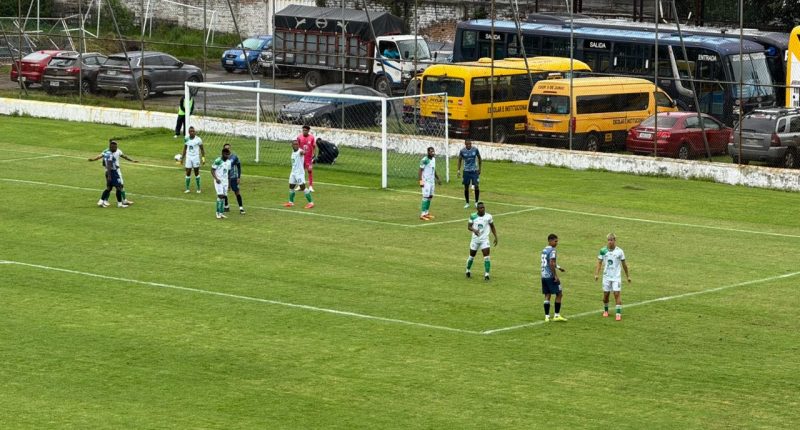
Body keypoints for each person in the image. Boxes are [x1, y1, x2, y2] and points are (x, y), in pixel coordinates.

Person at [88, 139, 137, 208]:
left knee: (110, 187)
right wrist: (93, 159)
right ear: (110, 146)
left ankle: (102, 201)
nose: (116, 148)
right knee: (117, 187)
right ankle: (117, 202)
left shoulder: (116, 151)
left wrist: (132, 160)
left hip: (114, 171)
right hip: (112, 172)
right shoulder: (107, 153)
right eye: (114, 146)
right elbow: (104, 162)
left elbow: (123, 156)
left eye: (116, 146)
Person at [594, 233, 631, 321]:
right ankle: (606, 310)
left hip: (616, 277)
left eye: (611, 240)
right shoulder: (603, 250)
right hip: (606, 276)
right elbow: (599, 262)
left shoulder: (620, 251)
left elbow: (624, 264)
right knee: (606, 295)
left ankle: (618, 314)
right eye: (608, 240)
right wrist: (596, 274)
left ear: (615, 240)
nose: (610, 242)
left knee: (616, 294)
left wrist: (628, 276)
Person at [465, 202, 497, 281]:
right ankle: (468, 270)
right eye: (481, 208)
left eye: (483, 207)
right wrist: (474, 230)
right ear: (477, 209)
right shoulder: (473, 216)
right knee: (472, 256)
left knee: (487, 257)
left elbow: (492, 226)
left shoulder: (488, 216)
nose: (483, 209)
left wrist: (496, 237)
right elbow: (469, 227)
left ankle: (487, 275)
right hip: (475, 240)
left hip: (484, 239)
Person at [541, 233, 567, 322]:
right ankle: (556, 315)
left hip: (543, 276)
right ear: (550, 241)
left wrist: (559, 267)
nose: (557, 243)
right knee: (559, 294)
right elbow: (551, 263)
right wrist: (555, 275)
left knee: (547, 295)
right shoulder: (553, 250)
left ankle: (547, 317)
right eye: (555, 241)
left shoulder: (544, 250)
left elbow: (549, 262)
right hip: (550, 276)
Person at [284, 140, 315, 209]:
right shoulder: (293, 151)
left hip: (299, 173)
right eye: (294, 144)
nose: (296, 145)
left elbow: (303, 152)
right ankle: (291, 202)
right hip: (293, 172)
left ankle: (311, 203)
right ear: (292, 145)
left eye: (297, 144)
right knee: (291, 186)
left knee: (302, 187)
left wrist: (305, 152)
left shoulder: (300, 151)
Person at [457, 139, 482, 208]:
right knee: (466, 187)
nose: (469, 145)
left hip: (474, 171)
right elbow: (459, 160)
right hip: (466, 171)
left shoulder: (475, 150)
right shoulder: (462, 151)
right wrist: (458, 170)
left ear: (471, 144)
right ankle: (467, 203)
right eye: (467, 144)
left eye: (470, 144)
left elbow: (479, 159)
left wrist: (479, 169)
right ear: (465, 144)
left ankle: (476, 202)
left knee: (476, 186)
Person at [418, 146, 441, 221]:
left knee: (430, 196)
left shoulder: (433, 159)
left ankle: (426, 213)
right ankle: (422, 214)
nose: (433, 153)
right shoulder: (424, 160)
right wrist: (421, 181)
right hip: (426, 181)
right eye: (431, 152)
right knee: (425, 197)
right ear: (428, 152)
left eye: (433, 151)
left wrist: (437, 178)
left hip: (432, 182)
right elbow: (420, 170)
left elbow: (433, 170)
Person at [180, 126, 205, 193]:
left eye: (193, 131)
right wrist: (182, 158)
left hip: (196, 157)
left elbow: (202, 149)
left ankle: (199, 188)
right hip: (188, 157)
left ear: (195, 132)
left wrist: (203, 158)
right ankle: (187, 189)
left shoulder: (198, 139)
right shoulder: (186, 138)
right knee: (188, 172)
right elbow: (185, 148)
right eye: (191, 131)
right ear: (189, 132)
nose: (192, 132)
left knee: (196, 172)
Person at [222, 143, 245, 214]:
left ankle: (241, 208)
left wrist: (238, 177)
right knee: (224, 192)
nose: (227, 149)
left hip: (233, 177)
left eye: (228, 148)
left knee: (237, 192)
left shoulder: (234, 157)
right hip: (225, 178)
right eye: (226, 148)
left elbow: (239, 166)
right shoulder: (221, 158)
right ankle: (226, 206)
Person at [211, 147, 232, 219]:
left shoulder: (229, 162)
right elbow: (212, 170)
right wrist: (216, 178)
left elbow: (228, 173)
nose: (228, 156)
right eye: (226, 154)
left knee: (224, 197)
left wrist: (229, 184)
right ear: (223, 154)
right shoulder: (218, 161)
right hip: (219, 181)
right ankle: (217, 212)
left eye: (229, 154)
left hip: (225, 181)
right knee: (220, 196)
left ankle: (221, 213)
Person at [296, 125, 317, 192]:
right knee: (301, 172)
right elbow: (297, 147)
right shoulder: (299, 137)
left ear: (308, 131)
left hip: (309, 158)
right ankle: (300, 185)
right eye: (303, 130)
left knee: (309, 171)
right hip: (301, 158)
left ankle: (310, 186)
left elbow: (314, 146)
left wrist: (314, 154)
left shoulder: (311, 138)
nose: (304, 131)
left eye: (305, 130)